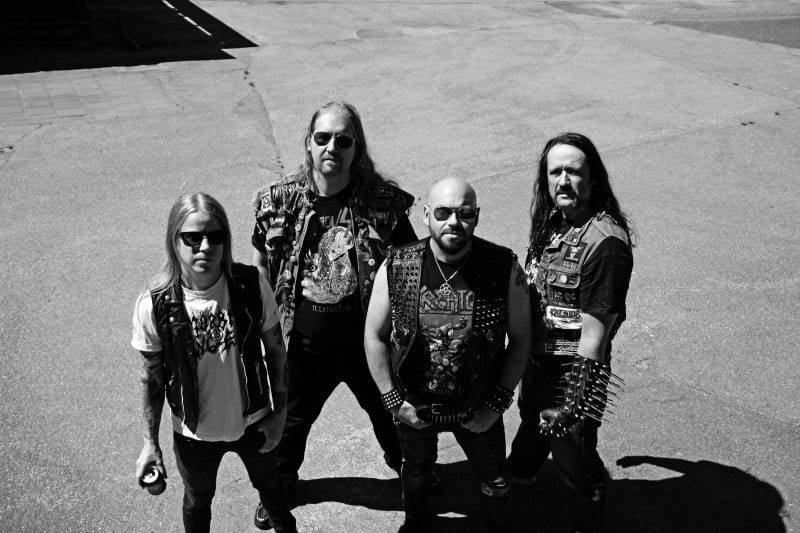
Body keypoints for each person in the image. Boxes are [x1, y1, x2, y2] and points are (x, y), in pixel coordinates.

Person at [251, 101, 417, 526]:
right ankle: (279, 485)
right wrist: (263, 328)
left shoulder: (383, 203)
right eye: (323, 138)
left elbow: (411, 267)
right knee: (290, 421)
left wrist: (404, 335)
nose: (332, 148)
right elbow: (261, 264)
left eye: (343, 140)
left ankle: (410, 472)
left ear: (357, 148)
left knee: (387, 411)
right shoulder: (278, 201)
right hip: (304, 343)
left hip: (368, 342)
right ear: (308, 143)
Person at [364, 177, 532, 532]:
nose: (454, 222)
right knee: (416, 473)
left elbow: (521, 339)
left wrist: (496, 404)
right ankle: (416, 524)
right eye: (443, 212)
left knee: (496, 479)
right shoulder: (398, 265)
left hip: (477, 404)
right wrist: (394, 402)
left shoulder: (502, 266)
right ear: (426, 215)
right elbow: (374, 335)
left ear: (476, 216)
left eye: (464, 213)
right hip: (415, 405)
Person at [132, 193, 296, 533]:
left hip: (255, 421)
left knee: (272, 489)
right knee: (198, 501)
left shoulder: (251, 284)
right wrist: (150, 442)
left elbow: (277, 352)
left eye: (215, 236)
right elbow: (152, 380)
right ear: (174, 240)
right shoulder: (154, 304)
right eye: (193, 238)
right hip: (194, 432)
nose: (205, 247)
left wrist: (279, 415)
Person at [506, 132, 634, 533]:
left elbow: (594, 340)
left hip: (573, 370)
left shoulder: (606, 244)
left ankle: (587, 514)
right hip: (538, 358)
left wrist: (571, 406)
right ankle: (522, 471)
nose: (563, 180)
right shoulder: (553, 221)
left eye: (574, 172)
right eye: (555, 172)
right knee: (531, 417)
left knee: (573, 453)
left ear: (593, 179)